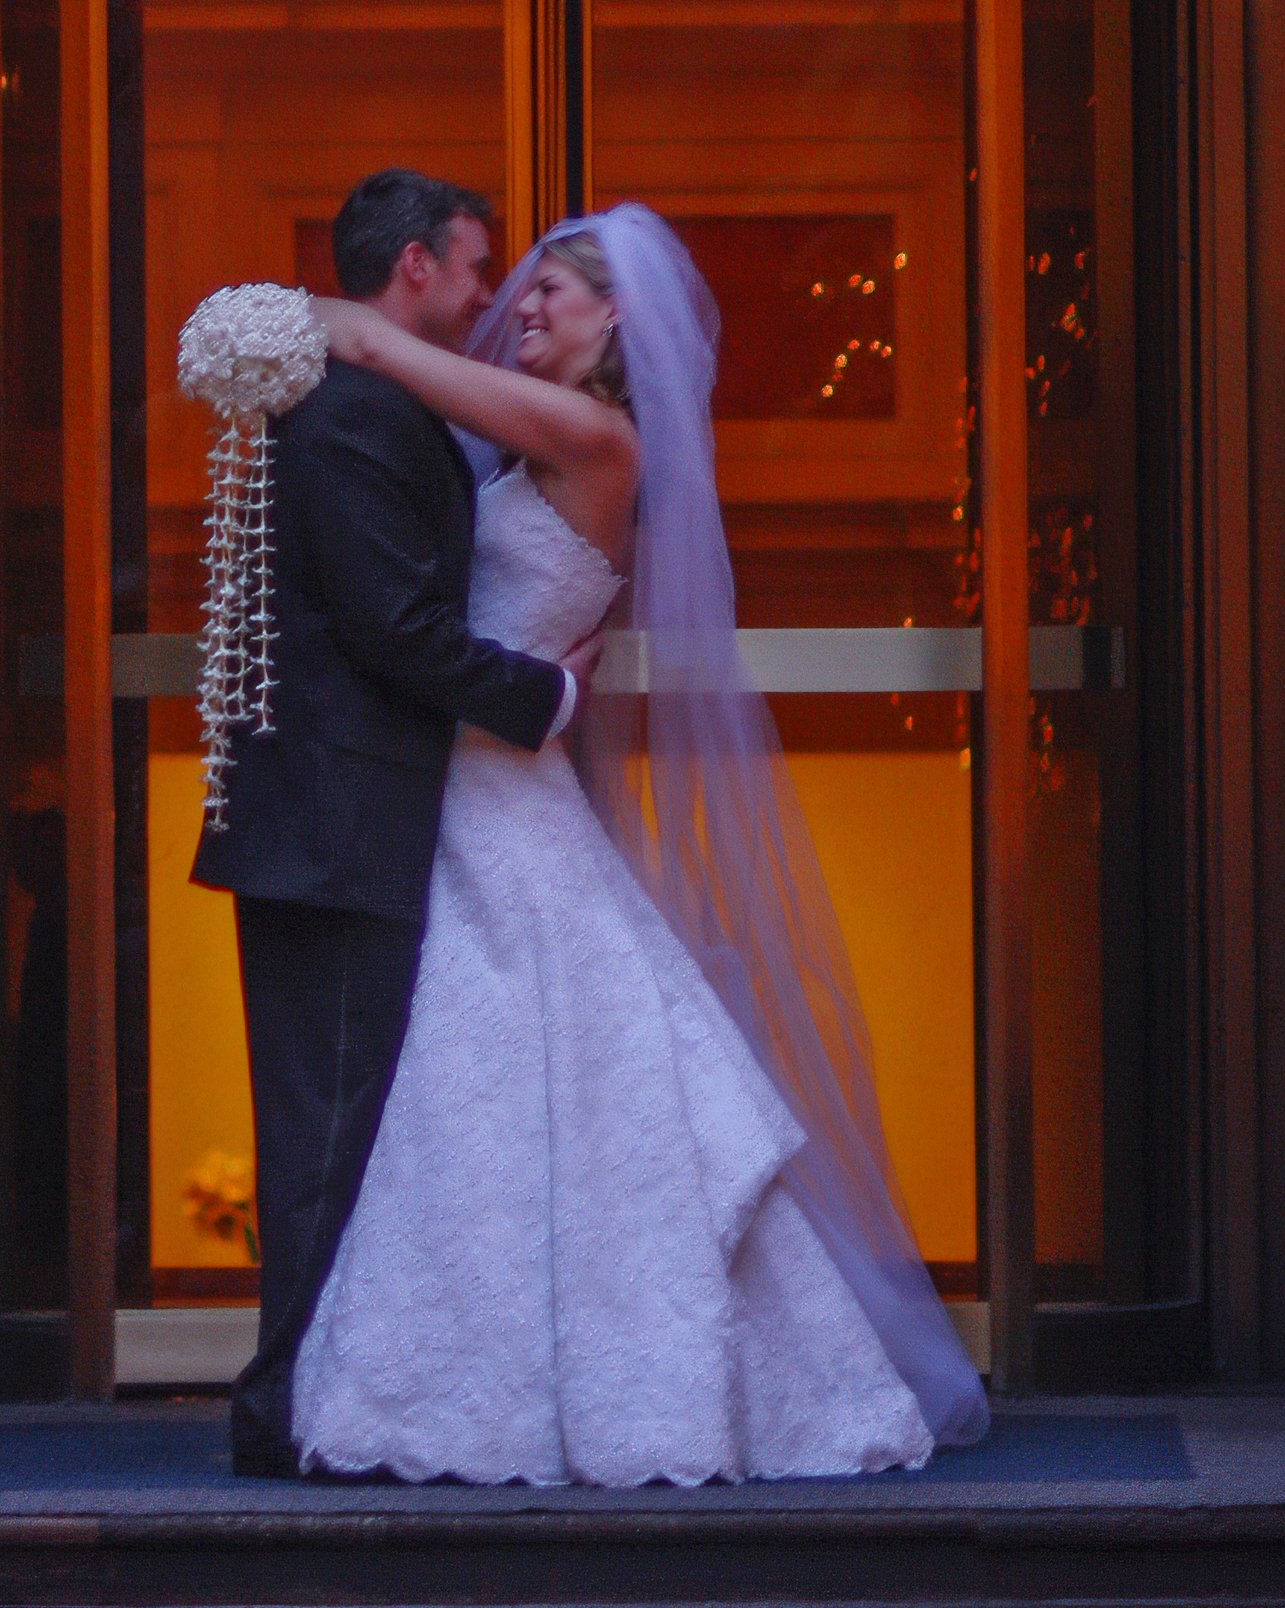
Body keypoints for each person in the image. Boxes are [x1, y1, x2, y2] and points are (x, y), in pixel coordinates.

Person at [288, 205, 991, 1483]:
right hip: (472, 792)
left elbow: (407, 368)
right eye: (526, 290)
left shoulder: (598, 436)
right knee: (487, 1094)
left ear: (618, 319)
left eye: (553, 292)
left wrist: (346, 326)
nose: (525, 310)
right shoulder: (518, 444)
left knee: (508, 1075)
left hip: (503, 800)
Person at [191, 169, 588, 1477]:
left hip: (335, 824)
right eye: (475, 268)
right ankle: (287, 1410)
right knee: (325, 1129)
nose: (487, 294)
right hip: (334, 829)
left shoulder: (368, 395)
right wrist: (545, 693)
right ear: (414, 266)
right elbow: (395, 629)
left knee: (340, 1119)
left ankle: (316, 1394)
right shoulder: (358, 409)